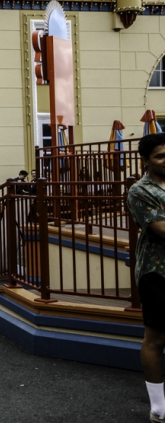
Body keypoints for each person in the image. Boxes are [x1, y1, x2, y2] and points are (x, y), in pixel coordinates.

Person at [127, 133, 165, 423]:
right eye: (161, 156)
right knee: (156, 338)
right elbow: (161, 228)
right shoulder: (141, 190)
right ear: (146, 161)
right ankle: (158, 408)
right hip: (157, 273)